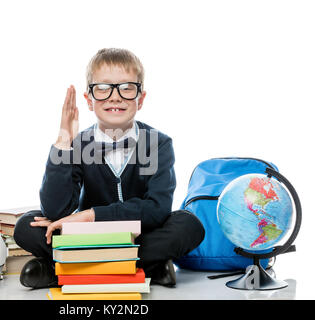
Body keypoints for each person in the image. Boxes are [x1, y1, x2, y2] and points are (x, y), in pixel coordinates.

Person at [13, 48, 205, 289]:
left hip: (139, 234)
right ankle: (145, 266)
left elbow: (157, 209)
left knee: (188, 224)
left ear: (141, 99)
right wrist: (63, 144)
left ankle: (64, 270)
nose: (115, 97)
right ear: (89, 100)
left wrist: (92, 215)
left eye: (126, 88)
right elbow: (55, 209)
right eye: (103, 89)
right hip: (87, 239)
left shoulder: (156, 143)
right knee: (26, 225)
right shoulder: (79, 144)